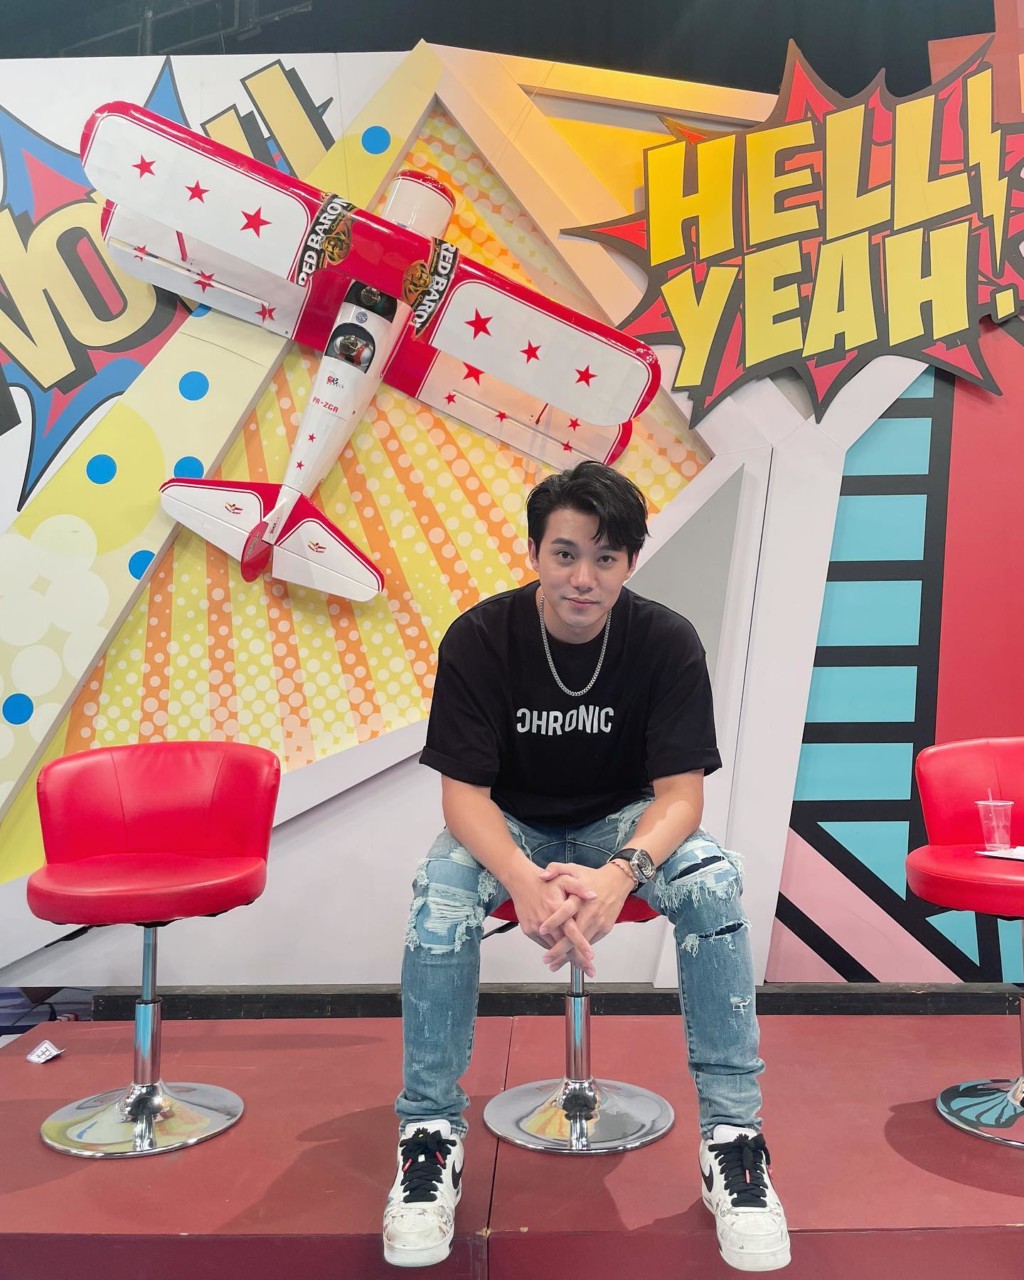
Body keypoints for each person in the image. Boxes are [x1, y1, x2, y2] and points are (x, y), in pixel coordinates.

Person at [383, 460, 790, 1272]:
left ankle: (734, 1140)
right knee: (440, 899)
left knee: (712, 883)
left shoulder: (666, 641)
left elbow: (680, 797)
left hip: (619, 825)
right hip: (510, 825)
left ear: (630, 561)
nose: (583, 578)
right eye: (565, 554)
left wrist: (621, 874)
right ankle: (428, 1134)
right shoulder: (479, 638)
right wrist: (522, 878)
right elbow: (463, 797)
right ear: (535, 552)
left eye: (606, 558)